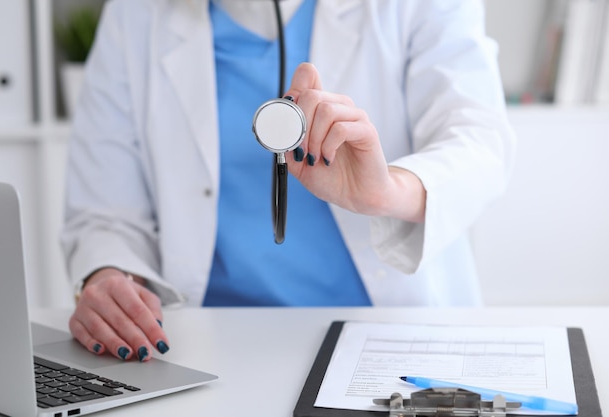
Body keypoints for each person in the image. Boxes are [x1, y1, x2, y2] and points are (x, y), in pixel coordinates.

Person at [61, 0, 516, 362]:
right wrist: (108, 275)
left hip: (386, 332)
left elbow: (481, 141)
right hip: (206, 341)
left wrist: (390, 189)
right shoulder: (136, 14)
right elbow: (104, 211)